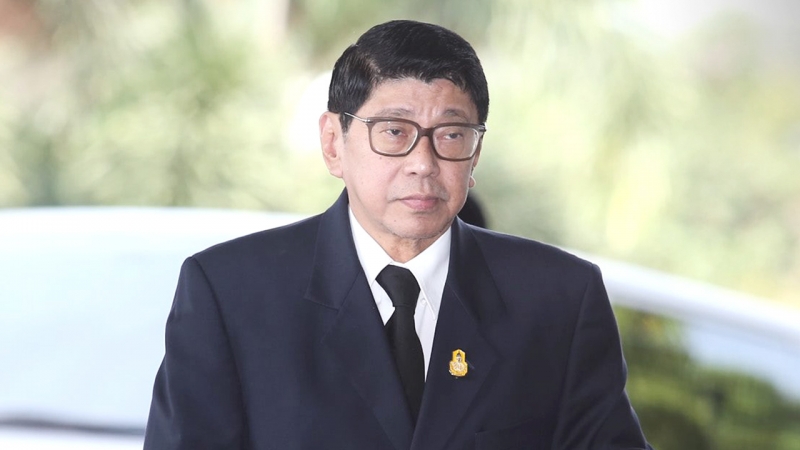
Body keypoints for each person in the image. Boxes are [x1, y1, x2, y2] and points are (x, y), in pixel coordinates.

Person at [144, 20, 653, 450]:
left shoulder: (558, 300)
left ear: (475, 154)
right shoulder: (231, 294)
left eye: (451, 135)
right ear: (333, 143)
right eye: (394, 132)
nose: (423, 164)